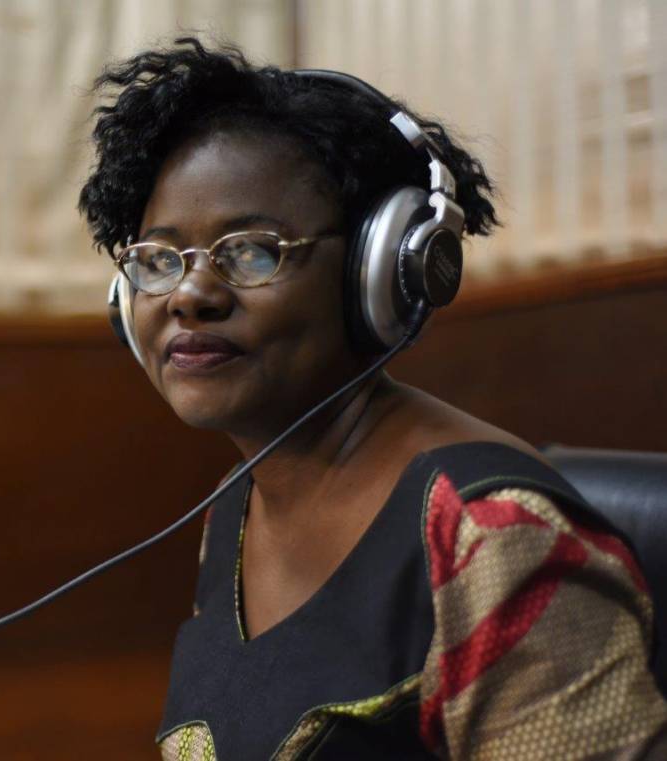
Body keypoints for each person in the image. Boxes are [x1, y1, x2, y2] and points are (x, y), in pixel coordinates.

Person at [77, 38, 667, 760]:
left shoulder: (493, 535)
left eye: (253, 251)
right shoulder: (237, 504)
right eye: (160, 260)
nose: (192, 295)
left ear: (381, 272)